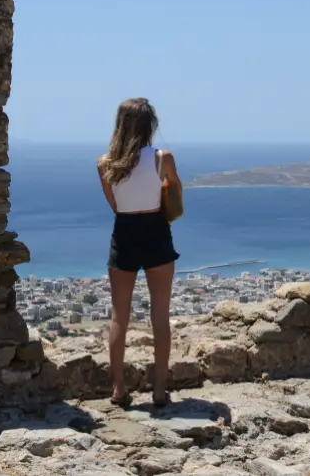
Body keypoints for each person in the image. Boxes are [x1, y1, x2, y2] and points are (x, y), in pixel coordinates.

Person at [97, 97, 182, 408]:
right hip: (157, 233)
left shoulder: (105, 163)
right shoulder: (163, 158)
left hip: (125, 234)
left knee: (120, 316)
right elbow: (175, 194)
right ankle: (159, 392)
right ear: (151, 125)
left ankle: (118, 390)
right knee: (160, 315)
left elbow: (116, 206)